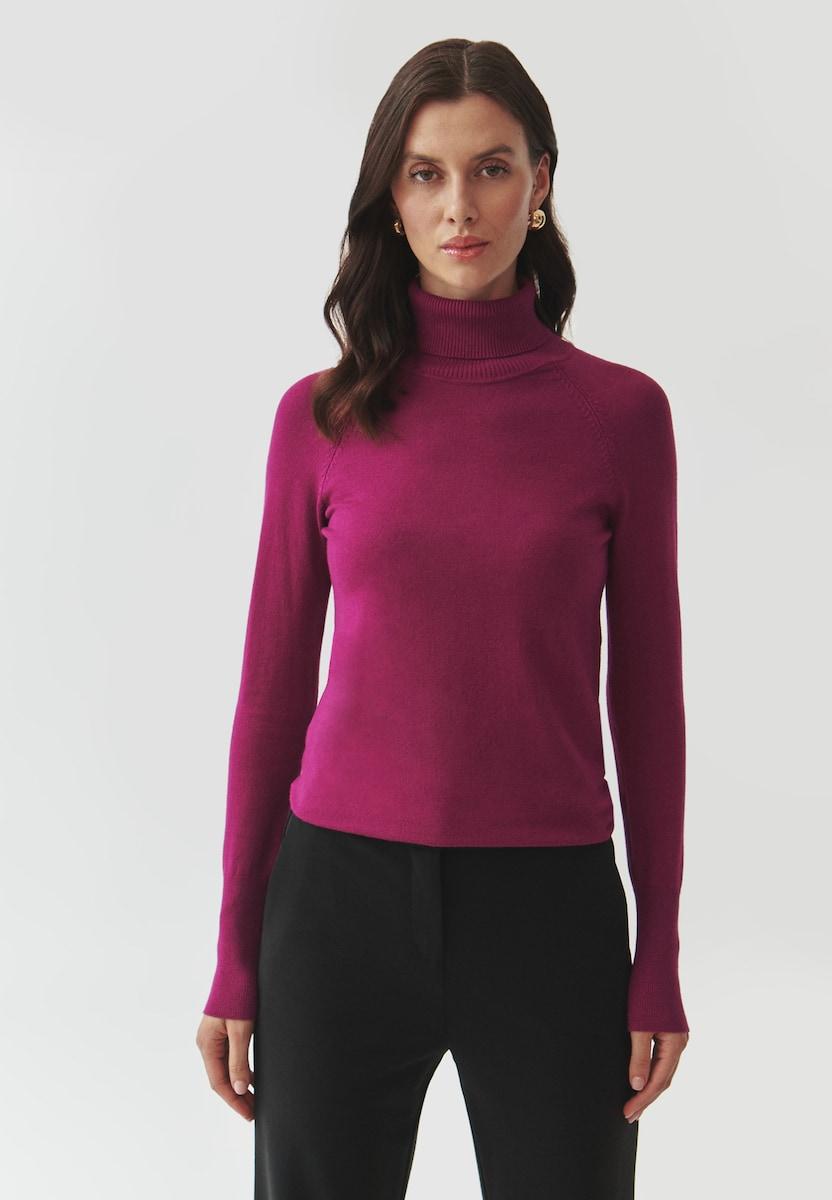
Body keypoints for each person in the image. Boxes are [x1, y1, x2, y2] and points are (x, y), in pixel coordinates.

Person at [196, 36, 690, 1200]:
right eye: (425, 174)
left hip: (550, 909)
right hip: (336, 905)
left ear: (541, 182)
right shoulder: (319, 418)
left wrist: (659, 952)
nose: (459, 206)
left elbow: (648, 701)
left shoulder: (620, 417)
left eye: (491, 169)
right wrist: (233, 952)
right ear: (392, 195)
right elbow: (271, 694)